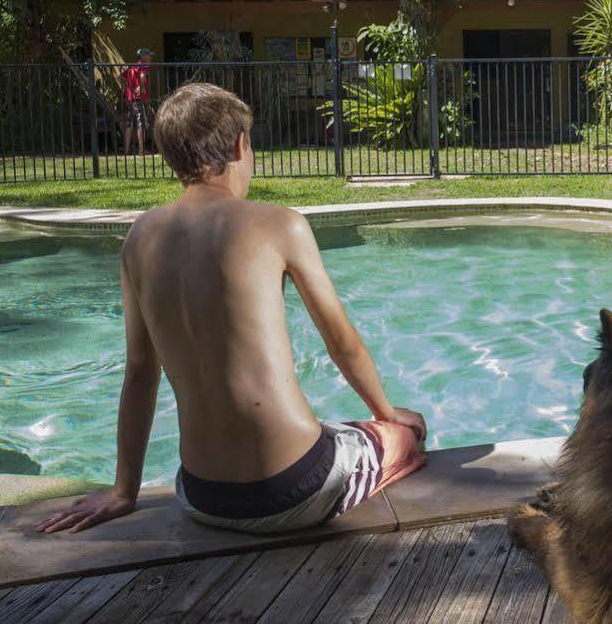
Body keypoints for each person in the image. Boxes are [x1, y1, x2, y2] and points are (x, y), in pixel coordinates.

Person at [37, 82, 428, 536]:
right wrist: (387, 412)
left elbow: (140, 373)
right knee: (406, 433)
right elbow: (341, 343)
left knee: (332, 427)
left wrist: (125, 492)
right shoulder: (281, 224)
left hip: (202, 497)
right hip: (294, 487)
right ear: (241, 145)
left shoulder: (139, 239)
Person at [120, 48, 155, 157]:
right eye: (149, 56)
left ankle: (126, 150)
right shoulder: (144, 65)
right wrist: (141, 86)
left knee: (130, 123)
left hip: (130, 98)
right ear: (144, 57)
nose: (151, 58)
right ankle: (141, 150)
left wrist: (127, 89)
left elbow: (120, 77)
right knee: (141, 123)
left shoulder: (132, 66)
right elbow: (143, 75)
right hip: (139, 98)